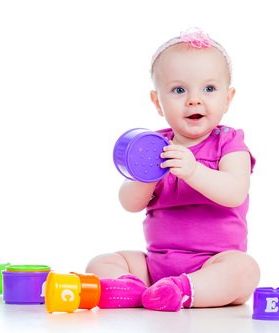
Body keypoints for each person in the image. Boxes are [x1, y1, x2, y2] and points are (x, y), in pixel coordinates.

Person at [86, 28, 260, 312]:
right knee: (101, 263)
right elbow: (128, 203)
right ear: (158, 102)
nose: (194, 99)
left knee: (245, 270)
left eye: (209, 89)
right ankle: (135, 290)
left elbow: (235, 192)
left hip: (214, 264)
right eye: (179, 90)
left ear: (228, 99)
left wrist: (193, 171)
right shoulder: (154, 147)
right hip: (157, 266)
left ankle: (184, 291)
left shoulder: (230, 142)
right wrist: (146, 178)